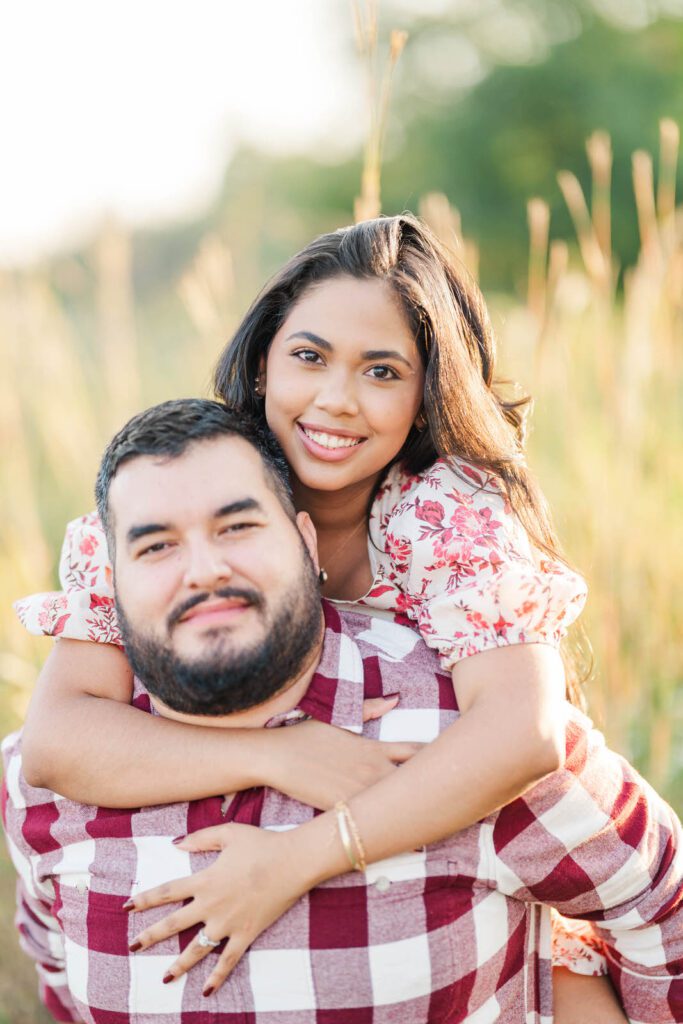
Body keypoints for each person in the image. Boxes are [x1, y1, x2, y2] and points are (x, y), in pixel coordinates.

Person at [8, 216, 661, 1013]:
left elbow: (523, 735)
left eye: (381, 371)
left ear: (426, 395)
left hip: (449, 849)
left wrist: (297, 859)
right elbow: (57, 741)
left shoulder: (443, 516)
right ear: (261, 364)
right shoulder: (185, 496)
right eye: (308, 357)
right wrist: (281, 757)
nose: (334, 401)